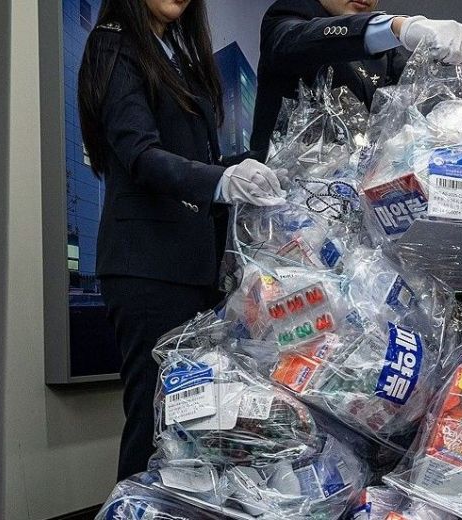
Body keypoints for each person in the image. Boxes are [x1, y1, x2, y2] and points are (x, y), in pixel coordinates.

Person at [78, 0, 286, 481]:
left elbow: (194, 159)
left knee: (195, 425)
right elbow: (140, 153)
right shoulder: (113, 43)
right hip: (147, 267)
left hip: (193, 269)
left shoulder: (177, 55)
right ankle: (133, 509)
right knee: (154, 422)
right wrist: (221, 180)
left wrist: (256, 165)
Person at [250, 0, 462, 157]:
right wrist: (396, 27)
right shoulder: (287, 15)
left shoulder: (386, 55)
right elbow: (296, 40)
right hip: (277, 190)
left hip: (355, 195)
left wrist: (455, 76)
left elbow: (423, 95)